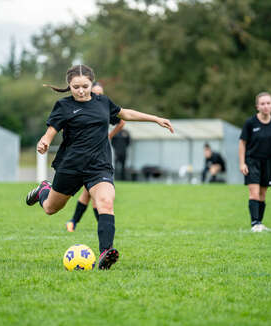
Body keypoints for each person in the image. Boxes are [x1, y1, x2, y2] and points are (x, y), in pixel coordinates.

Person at [25, 64, 174, 270]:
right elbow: (51, 131)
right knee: (51, 208)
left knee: (105, 202)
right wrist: (44, 142)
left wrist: (156, 119)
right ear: (69, 85)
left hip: (99, 166)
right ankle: (44, 189)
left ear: (91, 83)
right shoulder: (64, 106)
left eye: (85, 86)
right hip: (71, 166)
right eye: (76, 86)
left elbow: (125, 114)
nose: (81, 90)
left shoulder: (102, 102)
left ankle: (106, 252)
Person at [66, 81, 125, 232]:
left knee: (90, 193)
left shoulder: (104, 108)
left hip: (101, 155)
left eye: (101, 93)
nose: (98, 95)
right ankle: (100, 226)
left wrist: (109, 136)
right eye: (96, 92)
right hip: (85, 156)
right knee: (91, 193)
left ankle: (74, 222)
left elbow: (121, 121)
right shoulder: (80, 108)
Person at [239, 91, 271, 232]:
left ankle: (260, 223)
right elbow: (242, 143)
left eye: (268, 103)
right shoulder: (250, 123)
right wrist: (242, 163)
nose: (265, 106)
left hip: (269, 163)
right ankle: (255, 224)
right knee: (254, 193)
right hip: (252, 161)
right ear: (257, 106)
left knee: (263, 194)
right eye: (262, 103)